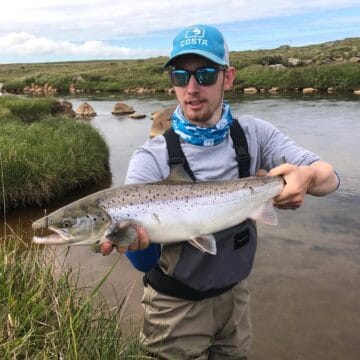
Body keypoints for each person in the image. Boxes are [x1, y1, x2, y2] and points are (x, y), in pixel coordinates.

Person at [101, 24, 339, 359]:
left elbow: (331, 178)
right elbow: (144, 264)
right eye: (180, 76)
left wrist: (305, 178)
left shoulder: (255, 134)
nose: (192, 88)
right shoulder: (150, 158)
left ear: (228, 78)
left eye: (206, 74)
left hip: (236, 300)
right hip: (174, 309)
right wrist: (133, 244)